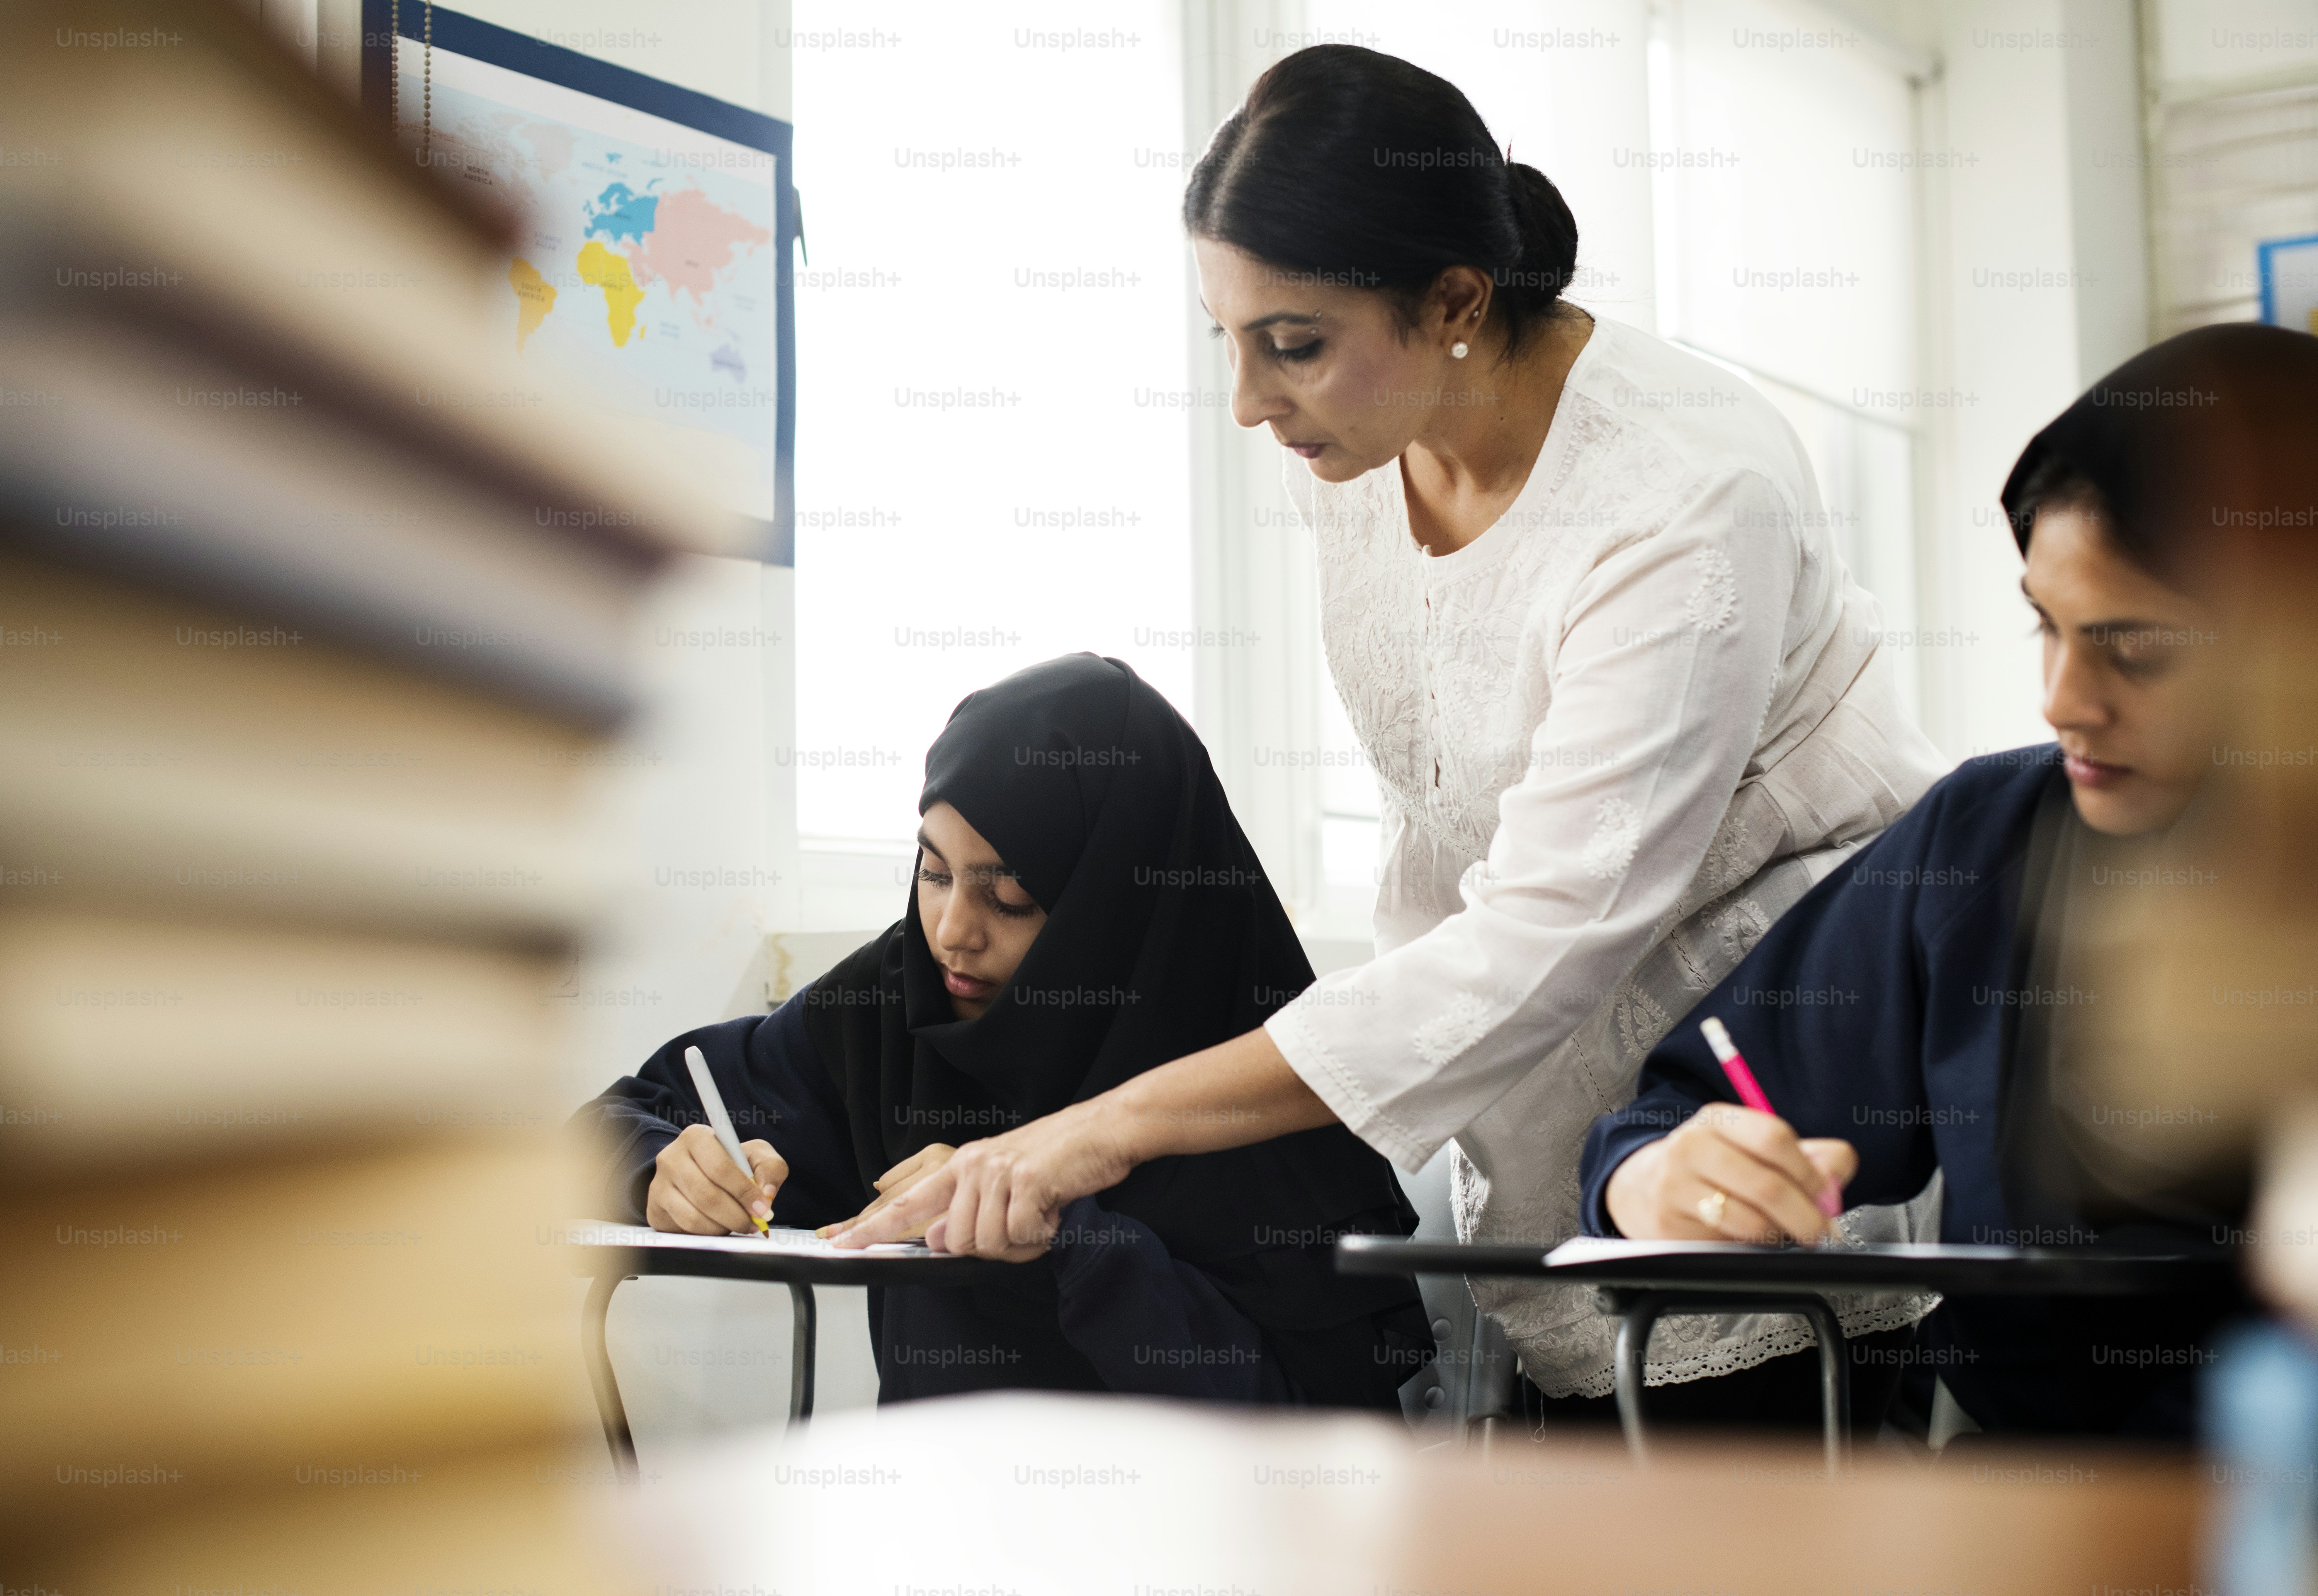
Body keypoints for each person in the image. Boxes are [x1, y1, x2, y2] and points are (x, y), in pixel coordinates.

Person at [839, 45, 1951, 1412]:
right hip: (1521, 1113)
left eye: (1291, 344)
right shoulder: (1358, 446)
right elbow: (1447, 835)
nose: (1249, 402)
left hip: (1741, 1098)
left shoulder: (1683, 501)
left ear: (1457, 303)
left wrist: (1087, 1139)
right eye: (1228, 341)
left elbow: (1538, 937)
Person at [1577, 324, 2318, 1438]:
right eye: (2047, 624)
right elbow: (1685, 1102)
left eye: (2142, 646)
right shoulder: (1991, 837)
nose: (2063, 698)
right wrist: (1661, 1178)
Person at [570, 654, 1431, 1407]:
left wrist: (1072, 1237)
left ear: (1113, 906)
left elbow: (1318, 1445)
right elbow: (621, 1116)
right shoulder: (906, 1004)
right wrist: (662, 1167)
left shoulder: (1261, 1069)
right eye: (934, 872)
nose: (952, 929)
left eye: (1010, 897)